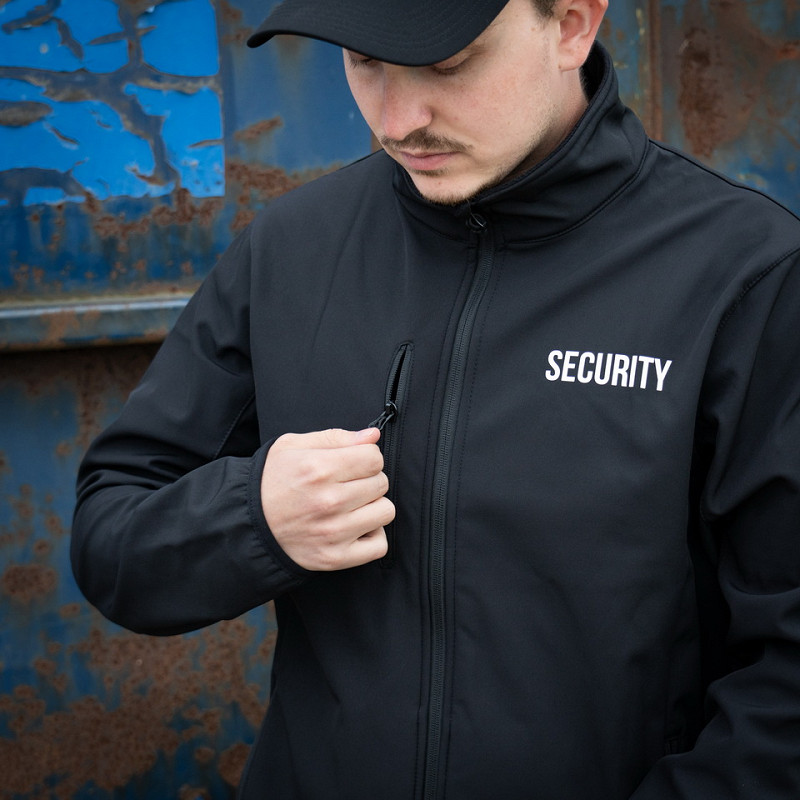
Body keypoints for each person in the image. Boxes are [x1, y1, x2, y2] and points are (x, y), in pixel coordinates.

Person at [71, 0, 800, 797]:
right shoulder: (292, 250)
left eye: (448, 65)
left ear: (571, 26)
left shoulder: (744, 274)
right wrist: (252, 517)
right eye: (364, 62)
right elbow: (113, 540)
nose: (398, 121)